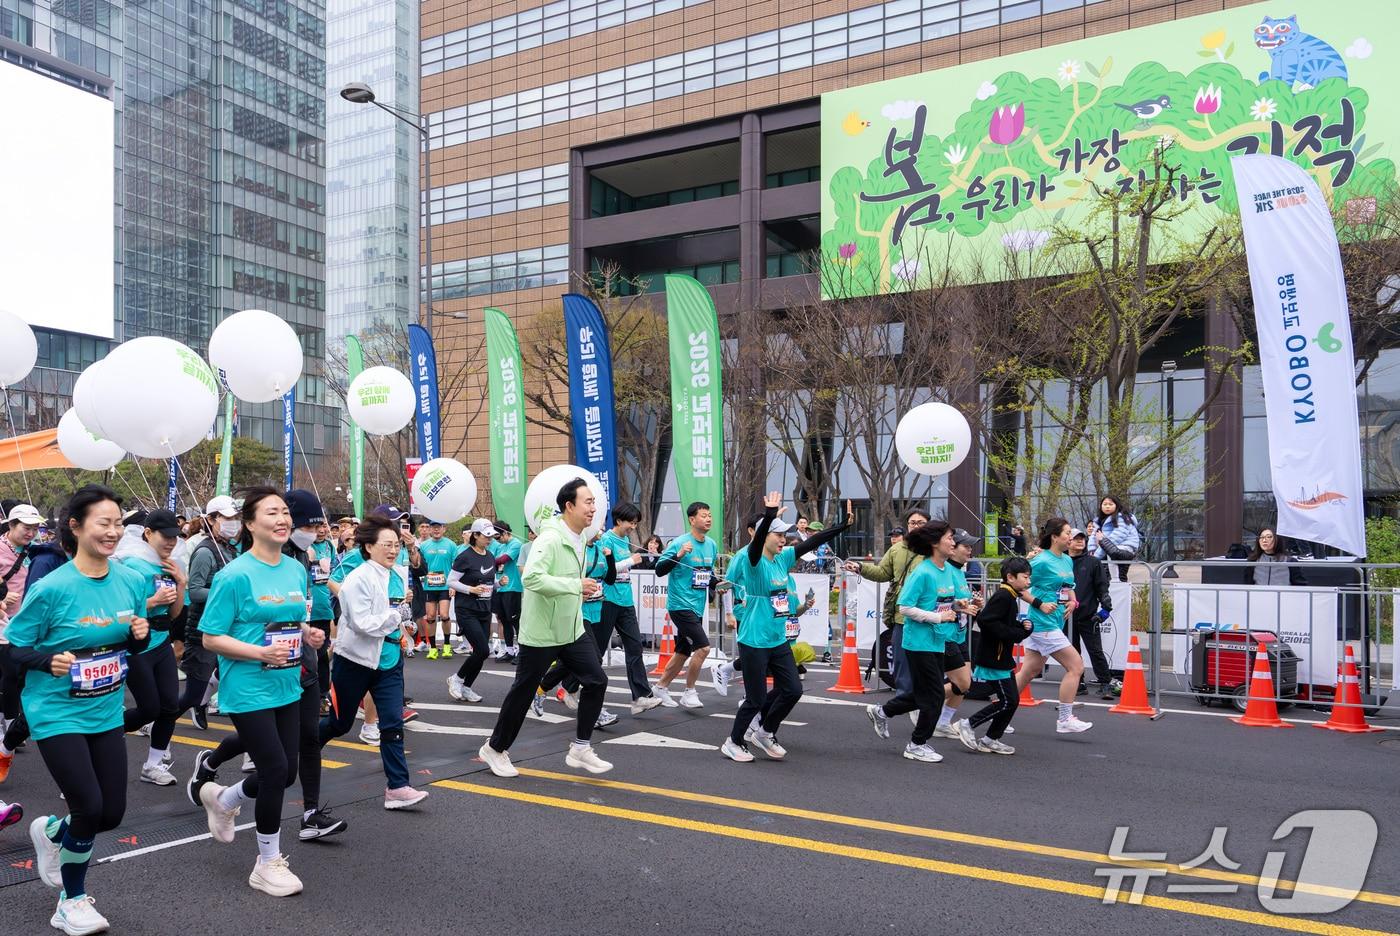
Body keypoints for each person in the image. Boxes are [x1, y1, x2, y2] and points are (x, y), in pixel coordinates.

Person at [8, 484, 150, 933]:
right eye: (103, 523)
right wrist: (46, 660)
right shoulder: (52, 587)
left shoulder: (130, 579)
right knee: (88, 806)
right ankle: (71, 899)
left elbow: (125, 642)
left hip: (105, 707)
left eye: (117, 524)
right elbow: (14, 647)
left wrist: (139, 635)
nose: (112, 532)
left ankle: (52, 833)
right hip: (55, 710)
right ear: (76, 526)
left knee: (111, 814)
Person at [188, 490, 346, 842]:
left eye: (285, 513)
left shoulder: (294, 568)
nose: (283, 520)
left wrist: (307, 634)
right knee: (274, 769)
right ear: (249, 523)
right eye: (272, 513)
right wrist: (260, 653)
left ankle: (224, 799)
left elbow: (288, 618)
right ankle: (268, 861)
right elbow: (211, 638)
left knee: (287, 772)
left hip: (288, 683)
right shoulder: (235, 575)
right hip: (247, 686)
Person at [478, 478, 613, 778]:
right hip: (541, 632)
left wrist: (578, 590)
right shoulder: (550, 539)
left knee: (596, 680)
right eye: (588, 502)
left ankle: (580, 746)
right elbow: (532, 579)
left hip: (571, 627)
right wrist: (574, 585)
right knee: (523, 692)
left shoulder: (579, 536)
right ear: (569, 506)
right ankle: (495, 748)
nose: (594, 508)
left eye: (594, 502)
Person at [721, 496, 851, 763]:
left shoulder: (783, 559)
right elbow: (755, 547)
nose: (783, 539)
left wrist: (842, 526)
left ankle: (765, 732)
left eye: (784, 535)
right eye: (778, 535)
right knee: (755, 699)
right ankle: (733, 742)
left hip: (777, 638)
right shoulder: (752, 561)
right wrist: (768, 515)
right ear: (763, 536)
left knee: (792, 689)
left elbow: (812, 542)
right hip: (754, 639)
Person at [318, 513, 429, 811]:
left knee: (392, 723)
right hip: (354, 661)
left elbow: (398, 609)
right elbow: (361, 623)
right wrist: (396, 616)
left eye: (396, 545)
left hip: (389, 660)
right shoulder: (357, 578)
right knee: (339, 724)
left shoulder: (397, 573)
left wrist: (405, 624)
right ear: (368, 547)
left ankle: (398, 787)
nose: (393, 550)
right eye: (386, 545)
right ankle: (304, 748)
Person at [865, 520, 973, 763]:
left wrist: (958, 607)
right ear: (935, 543)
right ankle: (916, 743)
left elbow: (940, 603)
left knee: (925, 694)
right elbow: (905, 607)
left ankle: (882, 712)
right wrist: (938, 616)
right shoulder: (922, 572)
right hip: (918, 642)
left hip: (938, 640)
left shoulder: (945, 570)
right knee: (934, 696)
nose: (953, 542)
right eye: (949, 538)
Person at [114, 508, 187, 787]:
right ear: (147, 533)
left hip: (162, 643)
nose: (171, 542)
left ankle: (153, 764)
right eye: (165, 536)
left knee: (170, 707)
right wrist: (153, 601)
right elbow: (119, 610)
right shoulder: (130, 564)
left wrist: (181, 583)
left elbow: (174, 614)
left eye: (175, 536)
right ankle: (107, 734)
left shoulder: (169, 564)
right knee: (149, 710)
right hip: (137, 645)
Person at [536, 529, 621, 728]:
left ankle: (541, 688)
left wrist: (610, 558)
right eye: (596, 526)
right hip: (576, 612)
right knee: (594, 662)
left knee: (577, 659)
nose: (600, 530)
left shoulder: (601, 549)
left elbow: (609, 579)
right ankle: (596, 713)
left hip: (596, 611)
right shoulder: (577, 550)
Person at [1015, 518, 1093, 734]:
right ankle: (1065, 719)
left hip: (1056, 621)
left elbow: (1069, 587)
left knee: (1028, 672)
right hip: (1041, 623)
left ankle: (999, 711)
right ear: (1054, 536)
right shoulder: (1041, 561)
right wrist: (1038, 603)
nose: (1071, 537)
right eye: (1067, 533)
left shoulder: (1067, 560)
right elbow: (1017, 586)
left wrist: (1072, 601)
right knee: (1076, 666)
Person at [846, 507, 930, 706]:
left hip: (930, 616)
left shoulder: (935, 548)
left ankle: (927, 702)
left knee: (928, 663)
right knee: (902, 663)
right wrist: (860, 568)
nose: (916, 526)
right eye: (912, 523)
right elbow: (883, 572)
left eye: (921, 523)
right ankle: (904, 702)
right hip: (903, 616)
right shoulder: (896, 549)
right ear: (907, 526)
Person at [953, 557, 1033, 755]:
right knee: (1009, 701)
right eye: (1025, 577)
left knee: (1011, 701)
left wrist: (1021, 628)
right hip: (994, 658)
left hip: (1001, 657)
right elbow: (987, 621)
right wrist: (1018, 633)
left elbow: (1000, 622)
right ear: (1010, 577)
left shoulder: (1010, 596)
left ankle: (990, 739)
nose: (1028, 582)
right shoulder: (1003, 597)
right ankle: (968, 724)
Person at [178, 495, 243, 732]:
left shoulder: (229, 549)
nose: (234, 523)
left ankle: (203, 703)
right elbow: (194, 591)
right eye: (228, 518)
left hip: (225, 627)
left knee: (224, 674)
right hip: (203, 628)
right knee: (191, 693)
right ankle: (155, 721)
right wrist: (226, 595)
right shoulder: (205, 552)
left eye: (236, 518)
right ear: (212, 519)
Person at [652, 501, 720, 709]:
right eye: (703, 515)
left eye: (709, 515)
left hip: (697, 605)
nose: (708, 518)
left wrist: (719, 585)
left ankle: (660, 687)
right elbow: (659, 569)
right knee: (703, 648)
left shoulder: (712, 545)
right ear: (692, 520)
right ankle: (689, 692)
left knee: (683, 650)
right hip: (680, 605)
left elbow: (707, 575)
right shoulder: (680, 543)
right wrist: (679, 554)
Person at [0, 503, 40, 760]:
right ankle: (11, 725)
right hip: (3, 623)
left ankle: (11, 725)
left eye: (35, 527)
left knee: (18, 675)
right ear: (11, 525)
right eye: (26, 527)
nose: (31, 532)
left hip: (25, 622)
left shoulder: (34, 550)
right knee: (12, 673)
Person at [447, 518, 499, 703]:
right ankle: (457, 678)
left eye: (491, 536)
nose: (490, 539)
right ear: (475, 535)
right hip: (466, 609)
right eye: (486, 536)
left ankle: (467, 687)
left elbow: (488, 581)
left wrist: (499, 583)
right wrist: (470, 589)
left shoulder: (490, 555)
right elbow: (451, 581)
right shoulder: (464, 556)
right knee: (483, 650)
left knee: (482, 652)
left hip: (484, 609)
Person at [1068, 530, 1119, 698]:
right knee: (1072, 652)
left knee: (1096, 651)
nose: (1080, 541)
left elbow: (1102, 587)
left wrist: (1105, 609)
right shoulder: (1060, 562)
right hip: (1066, 615)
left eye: (1082, 538)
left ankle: (1105, 684)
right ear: (1067, 541)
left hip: (1089, 615)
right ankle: (1079, 683)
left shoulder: (1093, 562)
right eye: (1076, 538)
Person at [419, 519, 457, 659]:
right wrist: (423, 580)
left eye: (438, 527)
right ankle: (433, 648)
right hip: (429, 586)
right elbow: (420, 566)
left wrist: (454, 585)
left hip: (445, 585)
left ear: (444, 529)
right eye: (433, 527)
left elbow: (456, 566)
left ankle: (447, 645)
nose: (436, 530)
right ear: (429, 529)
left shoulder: (451, 545)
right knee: (430, 617)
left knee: (445, 614)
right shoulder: (424, 546)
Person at [489, 520, 523, 661]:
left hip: (513, 587)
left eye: (498, 537)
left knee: (515, 620)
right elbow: (495, 562)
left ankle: (522, 651)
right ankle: (509, 650)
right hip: (500, 587)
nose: (497, 541)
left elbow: (504, 559)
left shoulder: (516, 544)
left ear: (505, 533)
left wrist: (488, 561)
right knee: (503, 619)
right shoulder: (500, 546)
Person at [1090, 495, 1140, 583]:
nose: (1107, 506)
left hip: (1126, 546)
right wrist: (1092, 549)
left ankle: (1115, 580)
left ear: (1117, 505)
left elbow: (1116, 538)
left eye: (1110, 504)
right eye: (1104, 504)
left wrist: (1096, 555)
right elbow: (1094, 536)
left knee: (1111, 552)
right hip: (1108, 546)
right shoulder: (1098, 521)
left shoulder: (1122, 518)